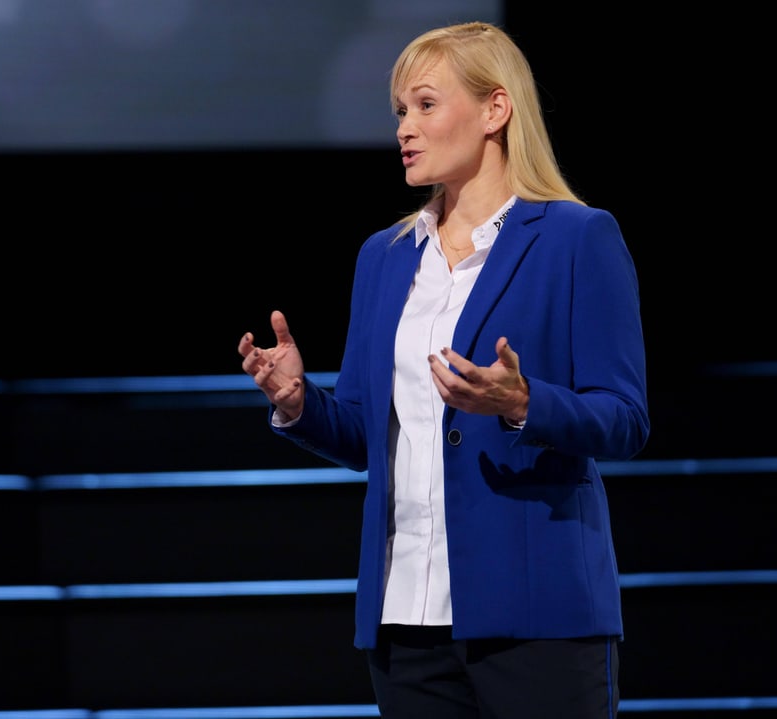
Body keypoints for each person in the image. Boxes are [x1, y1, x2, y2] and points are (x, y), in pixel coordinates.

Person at [237, 20, 649, 719]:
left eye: (425, 105)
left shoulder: (579, 237)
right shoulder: (386, 255)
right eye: (400, 111)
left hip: (537, 614)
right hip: (406, 622)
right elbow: (371, 434)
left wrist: (524, 401)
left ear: (496, 109)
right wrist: (300, 401)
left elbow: (626, 418)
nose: (405, 127)